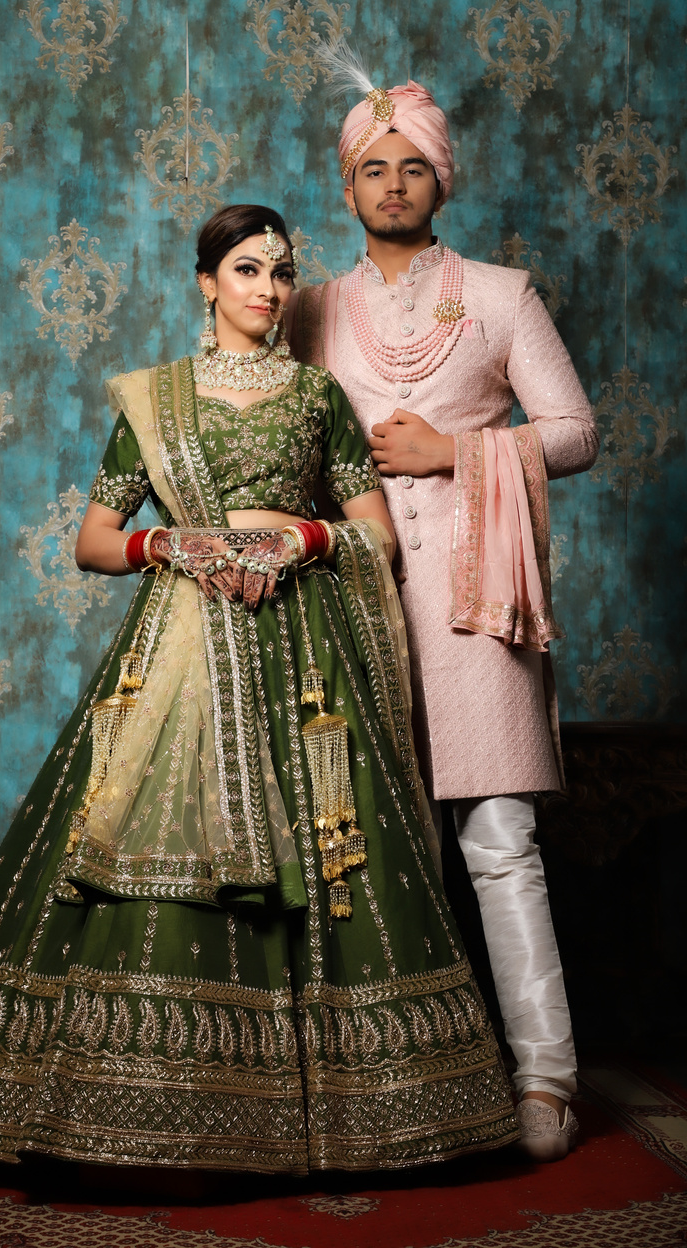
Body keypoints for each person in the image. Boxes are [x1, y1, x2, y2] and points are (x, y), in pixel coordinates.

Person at [0, 204, 518, 1175]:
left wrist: (300, 539)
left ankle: (352, 1119)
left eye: (281, 272)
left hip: (298, 638)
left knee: (331, 860)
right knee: (121, 842)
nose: (267, 288)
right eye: (247, 270)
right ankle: (118, 1107)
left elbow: (374, 534)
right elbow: (92, 541)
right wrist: (169, 541)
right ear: (205, 283)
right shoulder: (153, 400)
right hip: (181, 636)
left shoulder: (316, 399)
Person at [289, 61, 599, 1162]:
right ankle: (390, 1082)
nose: (391, 185)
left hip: (481, 596)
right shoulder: (312, 306)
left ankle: (546, 1080)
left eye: (410, 166)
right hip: (352, 596)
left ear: (440, 179)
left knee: (498, 837)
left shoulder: (504, 294)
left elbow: (573, 431)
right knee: (363, 841)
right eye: (371, 169)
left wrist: (453, 453)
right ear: (346, 187)